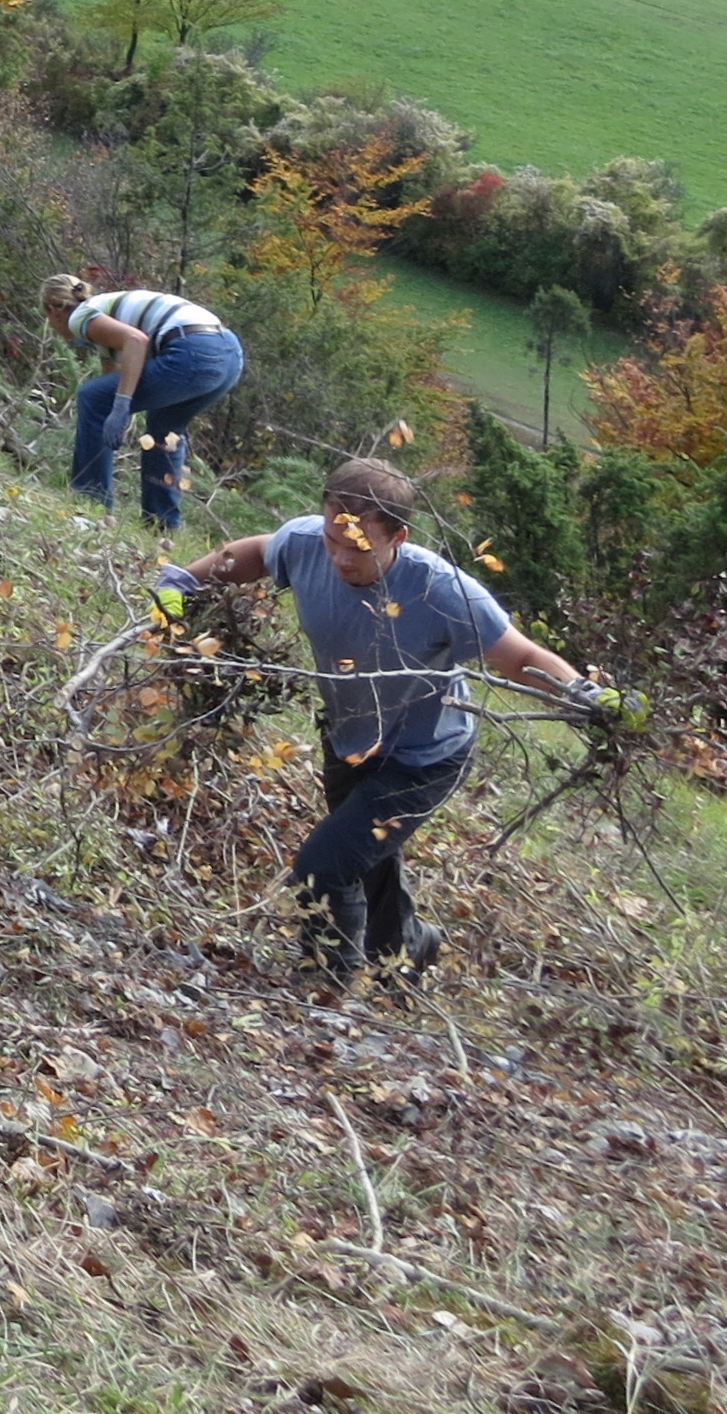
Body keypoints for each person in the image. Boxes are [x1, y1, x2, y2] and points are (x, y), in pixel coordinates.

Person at [160, 457, 633, 992]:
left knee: (324, 864)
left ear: (398, 537)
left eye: (358, 548)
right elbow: (256, 552)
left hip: (424, 756)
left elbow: (519, 655)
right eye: (333, 541)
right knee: (365, 857)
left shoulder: (440, 590)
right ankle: (408, 950)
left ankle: (324, 985)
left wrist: (590, 696)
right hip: (351, 737)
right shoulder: (307, 542)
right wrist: (184, 580)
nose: (339, 558)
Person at [44, 275, 247, 531]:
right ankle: (162, 524)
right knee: (164, 429)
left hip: (194, 352)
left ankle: (91, 504)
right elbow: (114, 377)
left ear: (53, 310)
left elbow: (136, 341)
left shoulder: (81, 316)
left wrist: (120, 405)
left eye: (48, 319)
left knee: (92, 397)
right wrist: (115, 411)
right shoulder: (105, 314)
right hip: (229, 356)